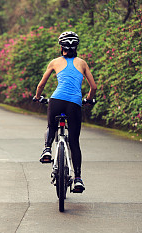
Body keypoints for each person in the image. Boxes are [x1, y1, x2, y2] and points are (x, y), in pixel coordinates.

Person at [34, 31, 97, 193]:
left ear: (61, 47)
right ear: (76, 47)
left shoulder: (55, 62)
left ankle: (47, 149)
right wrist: (89, 99)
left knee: (51, 126)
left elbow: (41, 85)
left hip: (56, 101)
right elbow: (94, 87)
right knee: (74, 142)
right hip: (74, 103)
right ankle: (77, 179)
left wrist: (37, 97)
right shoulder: (82, 63)